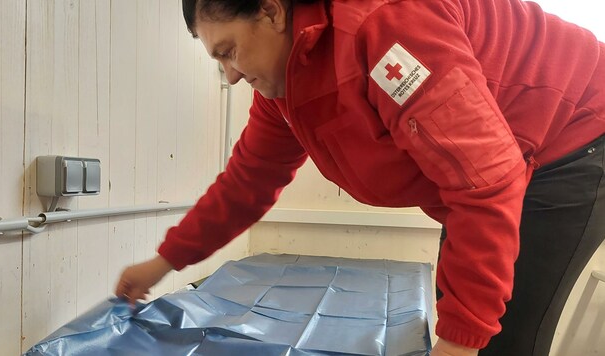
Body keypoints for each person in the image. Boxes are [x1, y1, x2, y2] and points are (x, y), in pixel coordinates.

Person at [115, 0, 605, 355]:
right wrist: (162, 264)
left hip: (571, 136)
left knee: (494, 337)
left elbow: (486, 182)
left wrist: (461, 340)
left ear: (271, 12)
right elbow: (247, 182)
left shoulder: (387, 28)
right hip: (486, 169)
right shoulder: (282, 88)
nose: (231, 76)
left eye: (229, 51)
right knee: (459, 311)